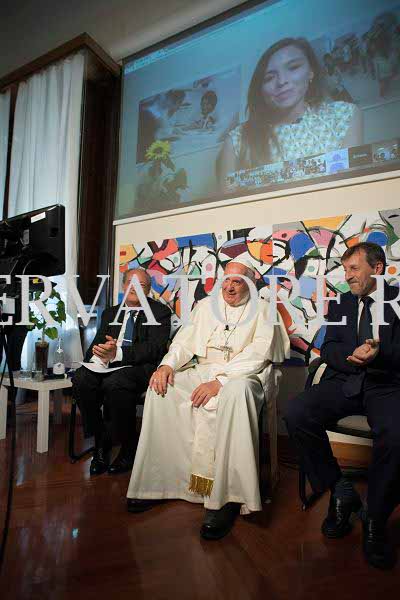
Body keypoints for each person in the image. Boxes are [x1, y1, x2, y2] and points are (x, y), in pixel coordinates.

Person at [126, 258, 289, 540]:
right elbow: (183, 342)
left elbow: (259, 354)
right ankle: (163, 483)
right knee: (162, 389)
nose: (230, 287)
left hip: (243, 374)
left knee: (235, 394)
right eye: (226, 280)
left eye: (237, 281)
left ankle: (227, 498)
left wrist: (221, 381)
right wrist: (166, 365)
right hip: (205, 369)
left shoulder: (264, 310)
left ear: (251, 284)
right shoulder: (205, 306)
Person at [284, 242, 400, 570]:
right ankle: (340, 490)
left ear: (377, 269)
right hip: (346, 380)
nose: (347, 276)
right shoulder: (342, 303)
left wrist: (379, 354)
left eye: (354, 269)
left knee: (395, 436)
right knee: (296, 411)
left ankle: (375, 517)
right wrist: (352, 358)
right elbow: (329, 348)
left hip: (386, 385)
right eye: (345, 269)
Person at [218, 37, 362, 189]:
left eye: (293, 67)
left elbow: (348, 190)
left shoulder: (344, 115)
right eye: (269, 78)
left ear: (311, 72)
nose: (282, 81)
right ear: (260, 90)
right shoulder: (237, 140)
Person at [72, 268, 171, 476]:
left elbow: (154, 348)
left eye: (141, 285)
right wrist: (100, 353)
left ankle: (128, 448)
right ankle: (101, 441)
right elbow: (95, 346)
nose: (135, 288)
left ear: (148, 290)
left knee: (116, 382)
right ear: (124, 286)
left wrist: (118, 353)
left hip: (140, 368)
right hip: (110, 364)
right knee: (81, 378)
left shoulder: (160, 312)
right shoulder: (110, 313)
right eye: (131, 284)